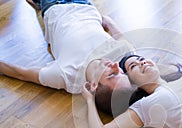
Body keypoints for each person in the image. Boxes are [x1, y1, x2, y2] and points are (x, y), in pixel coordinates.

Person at [0, 0, 134, 94]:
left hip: (54, 6)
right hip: (85, 5)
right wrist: (108, 21)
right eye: (122, 73)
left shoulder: (66, 76)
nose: (117, 66)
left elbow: (21, 73)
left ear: (93, 85)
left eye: (112, 75)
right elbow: (123, 39)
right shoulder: (122, 57)